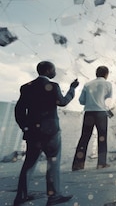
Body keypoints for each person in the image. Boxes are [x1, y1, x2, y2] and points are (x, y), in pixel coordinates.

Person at [13, 61, 78, 206]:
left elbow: (19, 110)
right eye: (54, 70)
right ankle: (53, 196)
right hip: (51, 132)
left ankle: (20, 197)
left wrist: (25, 127)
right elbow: (62, 102)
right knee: (52, 164)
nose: (55, 73)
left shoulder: (26, 87)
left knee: (28, 164)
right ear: (48, 71)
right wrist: (72, 89)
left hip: (32, 132)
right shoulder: (53, 86)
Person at [72, 65, 113, 171]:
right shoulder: (108, 84)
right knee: (102, 138)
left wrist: (91, 101)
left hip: (89, 113)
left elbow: (81, 101)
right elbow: (108, 101)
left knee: (84, 138)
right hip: (101, 114)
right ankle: (101, 163)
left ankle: (78, 164)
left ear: (96, 73)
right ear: (106, 74)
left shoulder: (87, 84)